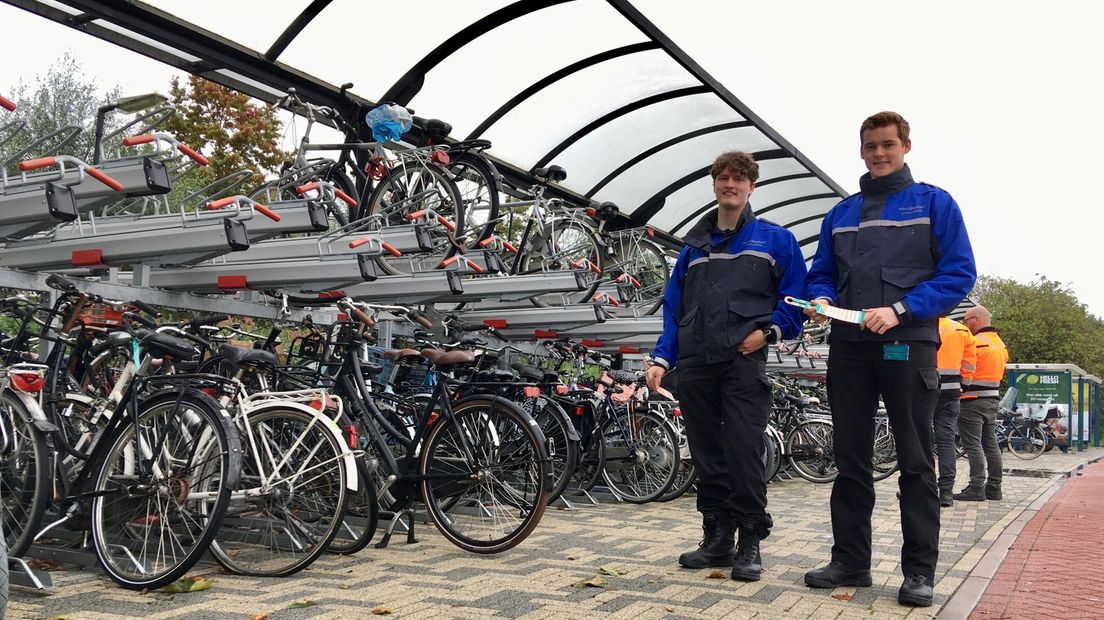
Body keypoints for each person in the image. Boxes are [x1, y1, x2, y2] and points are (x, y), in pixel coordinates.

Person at [802, 111, 976, 607]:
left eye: (888, 145)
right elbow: (822, 273)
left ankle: (918, 571)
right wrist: (819, 299)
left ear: (905, 147)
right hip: (850, 347)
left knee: (916, 461)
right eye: (871, 146)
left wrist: (900, 310)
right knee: (850, 457)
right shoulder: (842, 213)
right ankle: (850, 561)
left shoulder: (934, 204)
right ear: (861, 150)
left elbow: (959, 273)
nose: (879, 153)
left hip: (908, 344)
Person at [646, 151, 806, 582]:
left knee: (743, 449)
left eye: (738, 179)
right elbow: (674, 308)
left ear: (752, 187)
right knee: (706, 452)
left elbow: (795, 300)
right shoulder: (693, 247)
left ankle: (749, 540)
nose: (729, 185)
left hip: (741, 361)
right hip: (696, 363)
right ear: (714, 185)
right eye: (723, 178)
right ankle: (716, 537)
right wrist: (663, 356)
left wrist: (770, 333)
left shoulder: (775, 241)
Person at [955, 305, 1009, 501]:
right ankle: (994, 487)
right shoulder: (1000, 345)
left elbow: (963, 368)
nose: (965, 324)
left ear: (976, 319)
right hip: (992, 400)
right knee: (990, 443)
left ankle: (976, 487)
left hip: (971, 400)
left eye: (966, 320)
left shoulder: (975, 342)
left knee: (973, 445)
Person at [934, 316, 976, 507]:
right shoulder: (962, 330)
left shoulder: (923, 325)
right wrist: (963, 386)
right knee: (946, 440)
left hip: (923, 388)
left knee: (919, 438)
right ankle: (946, 492)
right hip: (951, 390)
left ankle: (919, 486)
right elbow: (969, 363)